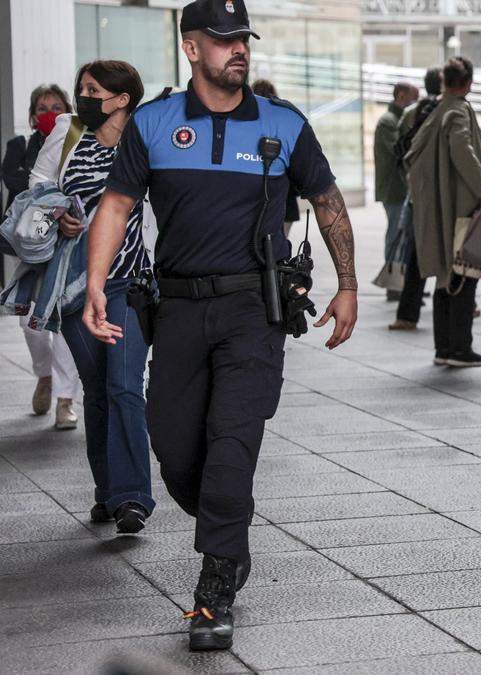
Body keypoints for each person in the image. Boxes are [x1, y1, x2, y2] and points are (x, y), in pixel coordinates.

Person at [84, 0, 358, 651]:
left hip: (252, 313)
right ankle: (227, 525)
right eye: (223, 39)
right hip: (176, 309)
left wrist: (348, 283)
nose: (238, 49)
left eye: (243, 39)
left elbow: (326, 199)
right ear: (191, 48)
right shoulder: (153, 123)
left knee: (232, 441)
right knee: (176, 448)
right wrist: (95, 282)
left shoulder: (284, 124)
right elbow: (117, 205)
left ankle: (215, 590)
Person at [28, 61, 154, 530]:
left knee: (124, 385)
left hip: (128, 284)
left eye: (91, 89)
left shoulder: (143, 143)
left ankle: (133, 498)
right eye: (81, 87)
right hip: (75, 289)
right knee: (99, 391)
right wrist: (59, 211)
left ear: (121, 99)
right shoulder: (68, 135)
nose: (82, 96)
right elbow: (39, 185)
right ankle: (108, 491)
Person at [406, 57, 481, 367]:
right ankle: (459, 348)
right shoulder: (458, 111)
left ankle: (444, 347)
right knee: (463, 277)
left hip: (442, 207)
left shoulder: (437, 111)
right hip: (461, 208)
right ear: (469, 82)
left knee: (447, 279)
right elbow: (462, 147)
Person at [2, 84, 81, 427]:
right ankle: (44, 376)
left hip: (67, 239)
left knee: (62, 319)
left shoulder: (76, 141)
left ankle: (65, 399)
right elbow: (15, 182)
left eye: (56, 106)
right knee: (30, 322)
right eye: (42, 107)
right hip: (33, 243)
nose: (49, 112)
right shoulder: (19, 146)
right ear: (33, 115)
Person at [391, 68, 442, 330]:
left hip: (417, 190)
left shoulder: (416, 111)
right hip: (440, 193)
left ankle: (407, 314)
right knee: (450, 255)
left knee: (416, 252)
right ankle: (460, 311)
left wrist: (409, 179)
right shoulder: (449, 111)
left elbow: (400, 149)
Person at [375, 80, 419, 303]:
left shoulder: (393, 121)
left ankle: (403, 281)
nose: (416, 105)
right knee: (395, 236)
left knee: (403, 237)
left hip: (400, 187)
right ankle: (393, 284)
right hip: (394, 189)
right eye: (413, 98)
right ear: (401, 96)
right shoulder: (389, 122)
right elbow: (398, 152)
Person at [250, 79, 301, 237]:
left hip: (256, 202)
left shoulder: (247, 125)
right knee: (280, 246)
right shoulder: (283, 122)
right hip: (285, 200)